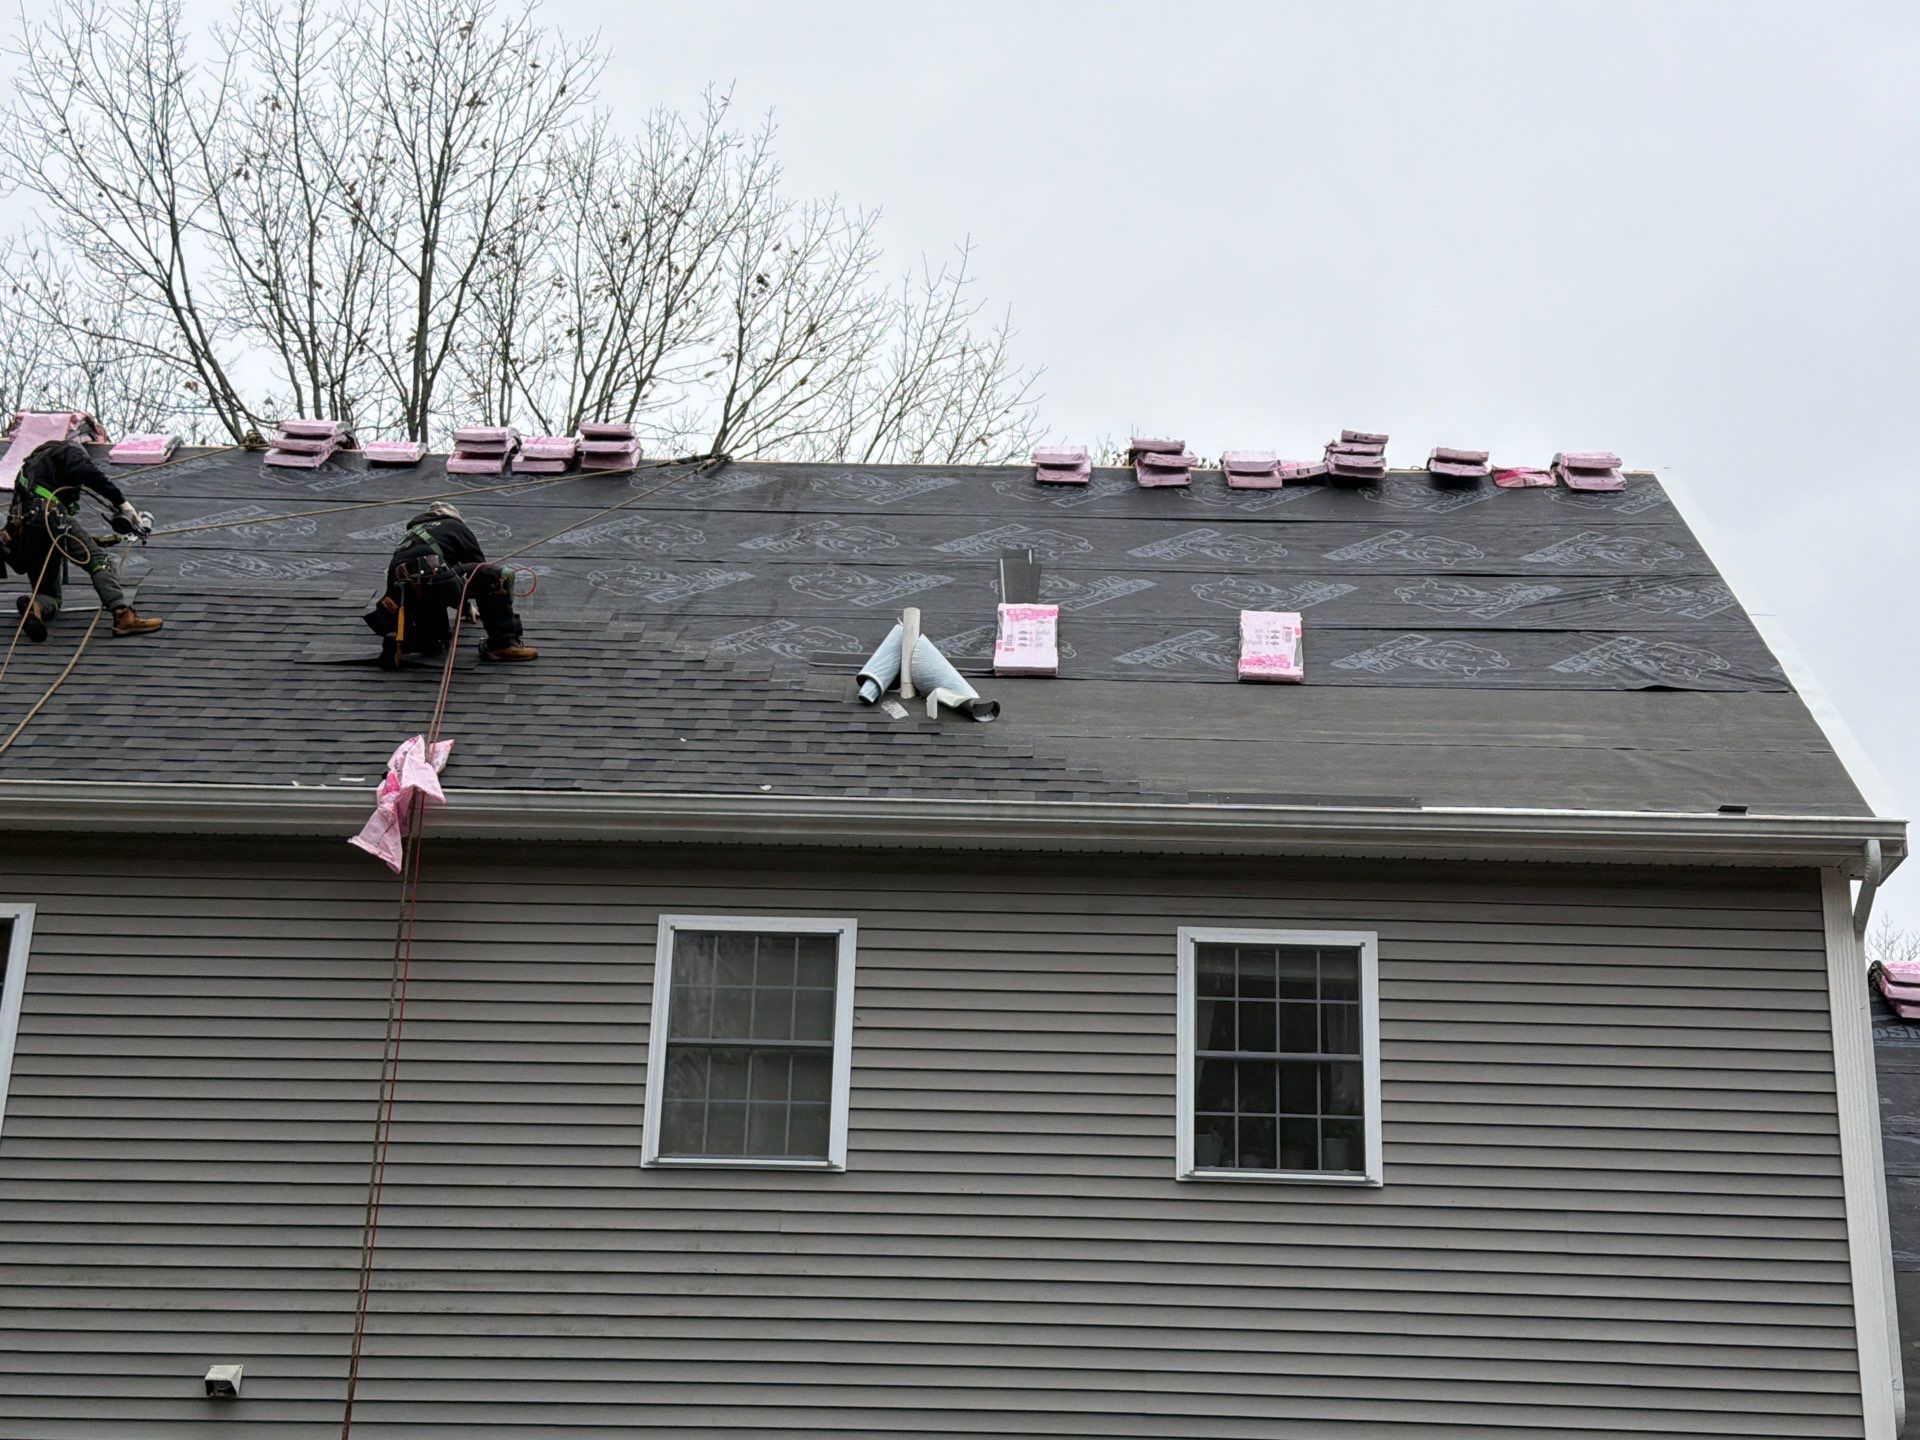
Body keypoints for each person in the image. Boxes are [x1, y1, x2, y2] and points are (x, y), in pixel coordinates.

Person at [0, 440, 162, 641]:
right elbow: (89, 473)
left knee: (50, 596)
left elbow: (14, 528)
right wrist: (122, 503)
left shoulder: (28, 472)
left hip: (30, 530)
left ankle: (35, 606)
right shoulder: (68, 450)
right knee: (99, 561)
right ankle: (122, 615)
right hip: (51, 515)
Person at [364, 502, 537, 667]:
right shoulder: (456, 526)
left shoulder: (411, 535)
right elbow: (477, 572)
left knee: (435, 642)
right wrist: (470, 604)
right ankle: (502, 644)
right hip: (434, 579)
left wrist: (465, 607)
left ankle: (405, 641)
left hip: (403, 595)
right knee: (495, 576)